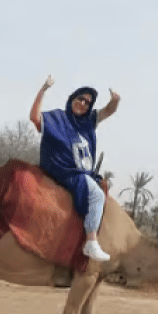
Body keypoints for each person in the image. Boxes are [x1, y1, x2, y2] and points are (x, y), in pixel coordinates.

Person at [29, 75, 120, 262]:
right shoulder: (57, 119)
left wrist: (115, 100)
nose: (84, 104)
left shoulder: (88, 122)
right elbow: (34, 118)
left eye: (88, 102)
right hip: (64, 171)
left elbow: (108, 111)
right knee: (96, 195)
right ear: (72, 99)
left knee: (101, 187)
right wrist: (43, 90)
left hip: (83, 173)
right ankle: (91, 241)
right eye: (81, 99)